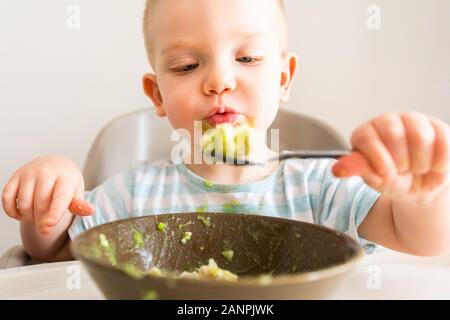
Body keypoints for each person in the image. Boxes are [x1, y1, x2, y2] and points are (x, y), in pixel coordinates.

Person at [2, 0, 449, 262]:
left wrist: (423, 195)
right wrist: (50, 194)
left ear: (282, 78)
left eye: (248, 59)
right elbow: (54, 255)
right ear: (157, 95)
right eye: (187, 66)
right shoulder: (134, 196)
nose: (220, 81)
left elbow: (420, 239)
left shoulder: (323, 190)